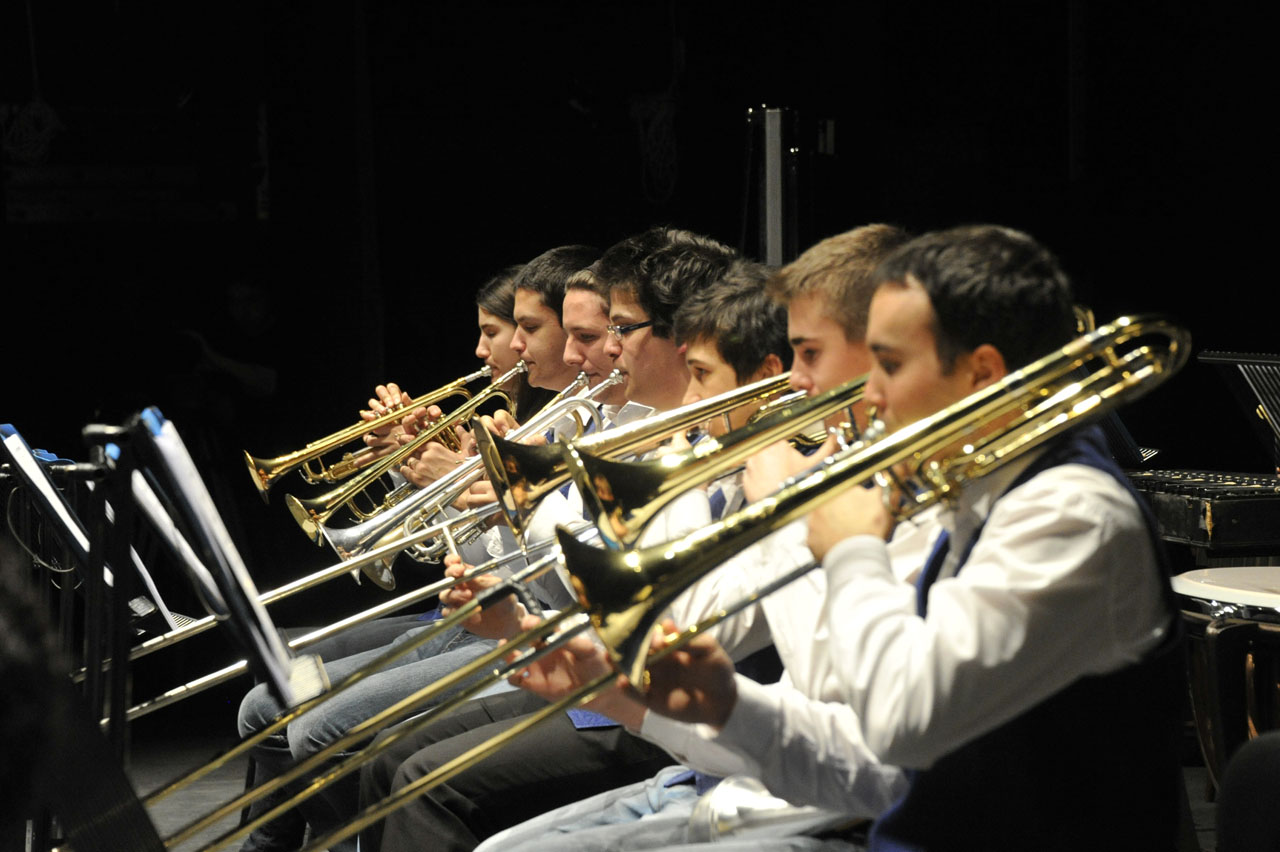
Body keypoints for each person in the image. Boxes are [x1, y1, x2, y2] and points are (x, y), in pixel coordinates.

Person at [525, 224, 1182, 852]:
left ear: (981, 373)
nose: (869, 392)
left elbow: (899, 724)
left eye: (888, 363)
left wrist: (837, 544)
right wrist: (713, 705)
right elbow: (881, 770)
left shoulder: (1072, 513)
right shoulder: (974, 490)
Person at [476, 223, 917, 852]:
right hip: (711, 767)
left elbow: (691, 627)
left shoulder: (821, 479)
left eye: (812, 354)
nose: (796, 383)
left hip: (784, 797)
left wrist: (775, 507)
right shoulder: (747, 458)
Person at [357, 229, 747, 852]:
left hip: (648, 699)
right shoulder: (611, 426)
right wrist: (458, 488)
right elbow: (553, 581)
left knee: (417, 778)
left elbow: (650, 610)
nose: (599, 352)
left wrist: (523, 504)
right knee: (386, 758)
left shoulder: (696, 446)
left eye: (613, 331)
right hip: (583, 660)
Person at [233, 248, 600, 852]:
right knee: (268, 700)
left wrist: (461, 484)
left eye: (514, 329)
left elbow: (538, 578)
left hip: (518, 631)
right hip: (475, 617)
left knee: (315, 730)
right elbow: (448, 552)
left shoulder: (575, 422)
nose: (489, 350)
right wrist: (413, 469)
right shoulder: (537, 418)